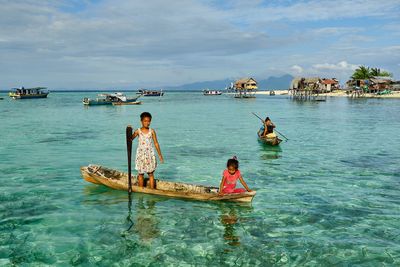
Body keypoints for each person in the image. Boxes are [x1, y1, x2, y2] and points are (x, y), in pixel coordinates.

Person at [132, 112, 164, 189]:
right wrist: (129, 130)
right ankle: (140, 189)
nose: (147, 123)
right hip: (141, 155)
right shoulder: (138, 131)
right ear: (141, 121)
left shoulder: (152, 131)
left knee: (150, 174)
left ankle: (152, 190)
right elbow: (130, 139)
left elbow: (156, 143)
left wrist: (160, 155)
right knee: (140, 174)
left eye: (148, 121)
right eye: (145, 121)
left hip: (149, 155)